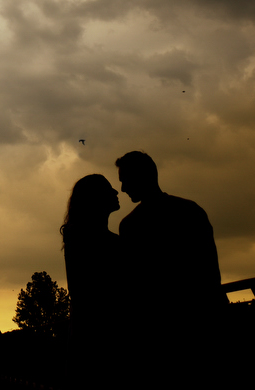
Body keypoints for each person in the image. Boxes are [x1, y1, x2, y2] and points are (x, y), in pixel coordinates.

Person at [115, 150, 223, 347]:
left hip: (157, 330)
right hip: (202, 321)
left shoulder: (130, 225)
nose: (122, 189)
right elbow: (210, 272)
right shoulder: (191, 211)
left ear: (142, 176)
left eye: (125, 180)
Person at [61, 174, 123, 358]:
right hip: (102, 336)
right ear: (96, 198)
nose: (115, 191)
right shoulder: (105, 242)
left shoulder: (76, 237)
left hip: (88, 334)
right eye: (108, 188)